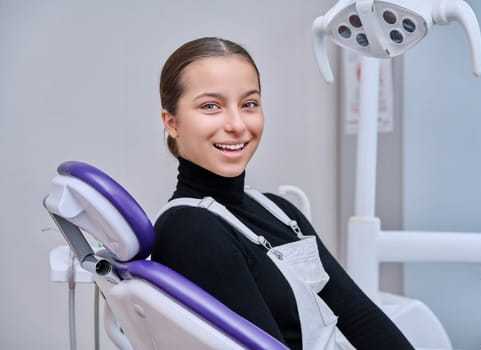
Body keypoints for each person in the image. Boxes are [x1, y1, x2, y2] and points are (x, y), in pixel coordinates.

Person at [151, 37, 414, 350]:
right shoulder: (190, 230)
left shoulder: (278, 210)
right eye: (211, 106)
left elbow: (358, 315)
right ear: (172, 122)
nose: (236, 124)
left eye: (249, 104)